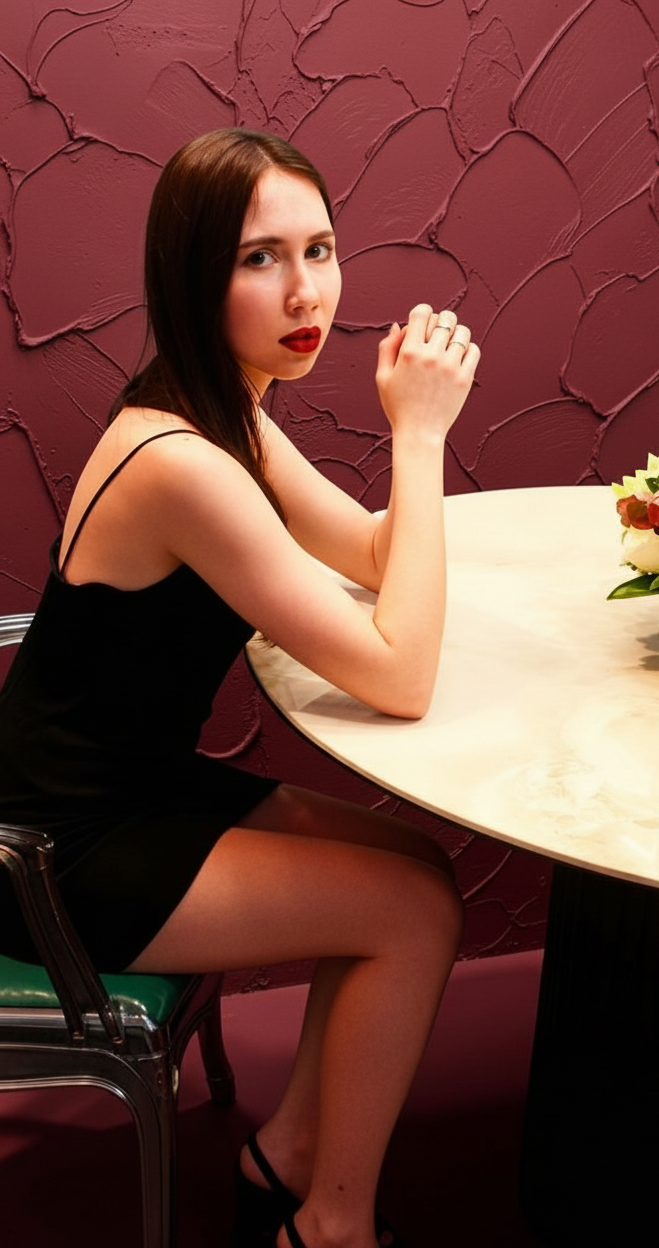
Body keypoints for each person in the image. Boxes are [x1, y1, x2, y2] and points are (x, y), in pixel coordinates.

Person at [0, 128, 480, 1248]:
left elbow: (373, 556)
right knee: (413, 915)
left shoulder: (222, 411)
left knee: (414, 865)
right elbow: (401, 676)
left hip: (132, 790)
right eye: (260, 258)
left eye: (320, 249)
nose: (305, 291)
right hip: (55, 852)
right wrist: (417, 439)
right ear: (192, 277)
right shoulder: (180, 462)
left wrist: (415, 443)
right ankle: (330, 1226)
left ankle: (292, 1155)